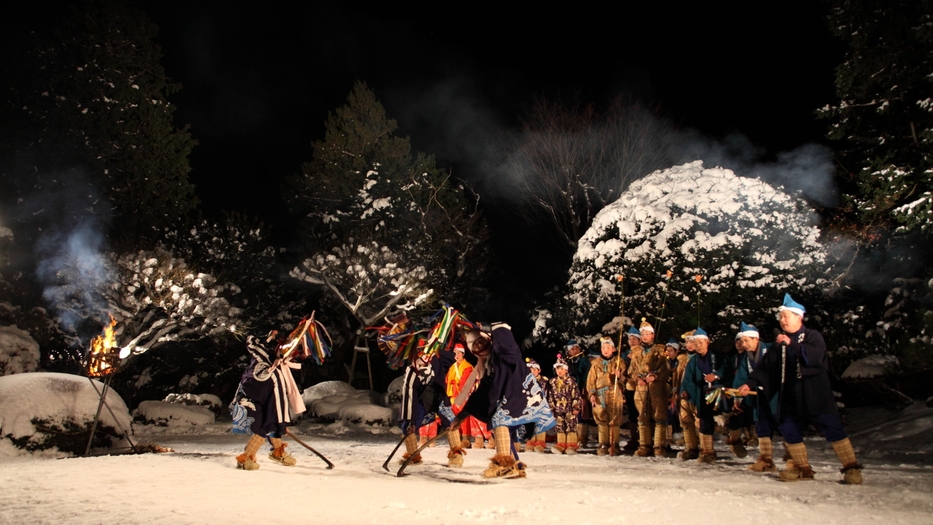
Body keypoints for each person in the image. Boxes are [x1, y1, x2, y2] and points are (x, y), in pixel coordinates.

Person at [738, 294, 863, 484]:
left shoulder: (813, 337)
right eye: (781, 317)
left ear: (799, 317)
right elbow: (765, 367)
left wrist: (792, 344)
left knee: (832, 428)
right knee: (788, 428)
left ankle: (851, 468)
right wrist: (749, 383)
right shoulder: (778, 344)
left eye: (786, 316)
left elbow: (815, 357)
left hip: (814, 392)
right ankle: (802, 468)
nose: (782, 320)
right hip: (789, 394)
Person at [460, 323, 556, 478]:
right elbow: (482, 392)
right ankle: (515, 465)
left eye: (481, 340)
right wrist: (460, 416)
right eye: (475, 344)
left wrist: (493, 328)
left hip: (520, 394)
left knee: (500, 419)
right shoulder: (487, 365)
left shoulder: (502, 352)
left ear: (489, 340)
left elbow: (511, 349)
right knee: (500, 424)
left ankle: (505, 466)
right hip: (509, 400)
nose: (479, 344)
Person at [230, 332, 306, 470]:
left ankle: (278, 452)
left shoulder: (277, 369)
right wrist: (268, 337)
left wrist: (280, 423)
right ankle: (245, 458)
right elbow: (252, 343)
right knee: (264, 428)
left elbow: (279, 399)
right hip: (252, 400)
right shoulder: (265, 362)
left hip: (263, 401)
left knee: (272, 425)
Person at [679, 327, 725, 464]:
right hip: (700, 394)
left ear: (707, 342)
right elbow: (687, 379)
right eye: (695, 343)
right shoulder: (692, 361)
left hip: (718, 392)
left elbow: (726, 369)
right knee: (703, 421)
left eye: (700, 343)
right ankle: (707, 451)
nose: (697, 346)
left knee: (726, 420)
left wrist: (717, 376)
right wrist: (689, 392)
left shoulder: (718, 356)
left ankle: (735, 440)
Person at [631, 319, 672, 457]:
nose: (644, 337)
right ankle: (644, 445)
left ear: (652, 335)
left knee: (659, 415)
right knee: (643, 415)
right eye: (642, 334)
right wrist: (637, 378)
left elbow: (666, 368)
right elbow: (632, 370)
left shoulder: (660, 350)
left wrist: (655, 376)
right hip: (641, 387)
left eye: (647, 334)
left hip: (656, 386)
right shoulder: (636, 352)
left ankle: (659, 445)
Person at [586, 335, 626, 456]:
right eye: (603, 347)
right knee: (601, 418)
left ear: (613, 349)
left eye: (608, 347)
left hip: (614, 393)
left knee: (615, 419)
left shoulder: (619, 362)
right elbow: (591, 380)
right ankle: (603, 443)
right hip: (600, 394)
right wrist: (592, 393)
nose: (606, 350)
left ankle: (615, 444)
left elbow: (625, 380)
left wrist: (620, 377)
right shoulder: (596, 364)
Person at [547, 355, 583, 454]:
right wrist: (551, 407)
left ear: (566, 370)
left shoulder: (571, 382)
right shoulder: (552, 382)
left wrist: (576, 407)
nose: (559, 371)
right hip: (558, 408)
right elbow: (550, 396)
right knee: (559, 426)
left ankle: (571, 445)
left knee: (570, 425)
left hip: (569, 408)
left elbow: (576, 395)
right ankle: (561, 445)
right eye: (558, 368)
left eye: (562, 369)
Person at [564, 340, 593, 448]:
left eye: (576, 348)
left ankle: (582, 438)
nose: (574, 350)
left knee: (582, 412)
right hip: (569, 390)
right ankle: (571, 437)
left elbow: (586, 374)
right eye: (572, 349)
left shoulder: (584, 360)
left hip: (581, 388)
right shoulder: (567, 361)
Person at [524, 359, 549, 452]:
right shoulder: (525, 381)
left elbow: (546, 394)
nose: (533, 372)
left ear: (539, 370)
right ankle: (530, 442)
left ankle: (540, 443)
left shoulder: (544, 381)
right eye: (531, 370)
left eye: (535, 370)